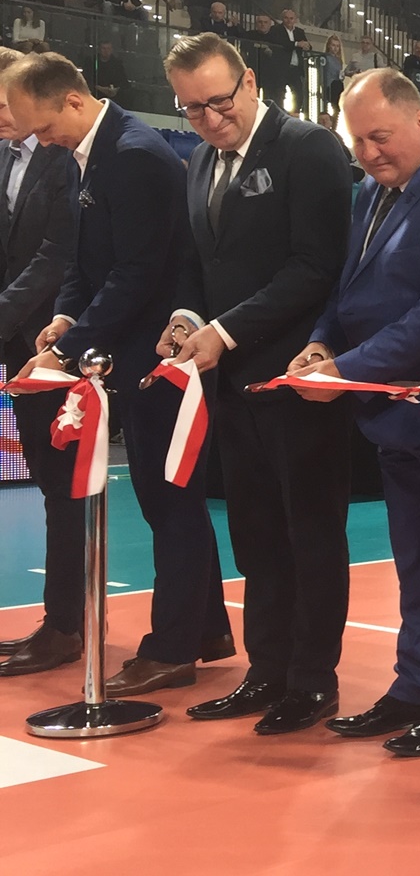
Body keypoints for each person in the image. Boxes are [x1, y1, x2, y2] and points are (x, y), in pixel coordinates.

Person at [9, 52, 233, 696]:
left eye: (44, 127)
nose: (41, 140)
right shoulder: (82, 153)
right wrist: (64, 319)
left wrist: (67, 350)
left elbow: (138, 272)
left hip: (162, 351)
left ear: (73, 101)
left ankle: (173, 648)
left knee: (169, 497)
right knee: (165, 497)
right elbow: (84, 261)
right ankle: (205, 630)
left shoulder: (135, 155)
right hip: (126, 347)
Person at [298, 68, 420, 758]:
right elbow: (346, 287)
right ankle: (416, 684)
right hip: (389, 415)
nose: (369, 152)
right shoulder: (371, 191)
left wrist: (345, 373)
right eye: (357, 141)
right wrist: (321, 343)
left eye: (380, 136)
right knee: (416, 560)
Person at [158, 33, 355, 734]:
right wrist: (187, 319)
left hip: (297, 381)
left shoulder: (309, 149)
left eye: (219, 101)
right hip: (230, 384)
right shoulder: (197, 162)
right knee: (255, 531)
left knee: (310, 532)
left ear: (248, 80)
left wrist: (226, 330)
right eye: (192, 109)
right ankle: (266, 669)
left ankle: (313, 680)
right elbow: (198, 263)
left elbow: (316, 267)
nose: (210, 119)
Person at [0, 47, 81, 676]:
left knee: (63, 487)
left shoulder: (64, 156)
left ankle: (65, 625)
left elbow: (58, 255)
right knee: (53, 485)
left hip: (58, 342)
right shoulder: (7, 156)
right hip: (17, 344)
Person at [266, 9, 313, 115]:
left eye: (291, 18)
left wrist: (307, 46)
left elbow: (307, 44)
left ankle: (295, 114)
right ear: (282, 19)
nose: (289, 21)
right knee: (279, 93)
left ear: (295, 20)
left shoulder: (299, 32)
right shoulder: (276, 30)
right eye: (286, 18)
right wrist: (296, 44)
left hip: (295, 67)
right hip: (281, 67)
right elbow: (280, 43)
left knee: (299, 93)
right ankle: (279, 114)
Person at [320, 35, 345, 112]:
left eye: (337, 46)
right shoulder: (325, 58)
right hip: (329, 85)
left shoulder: (339, 60)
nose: (335, 48)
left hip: (337, 84)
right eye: (333, 45)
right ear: (329, 46)